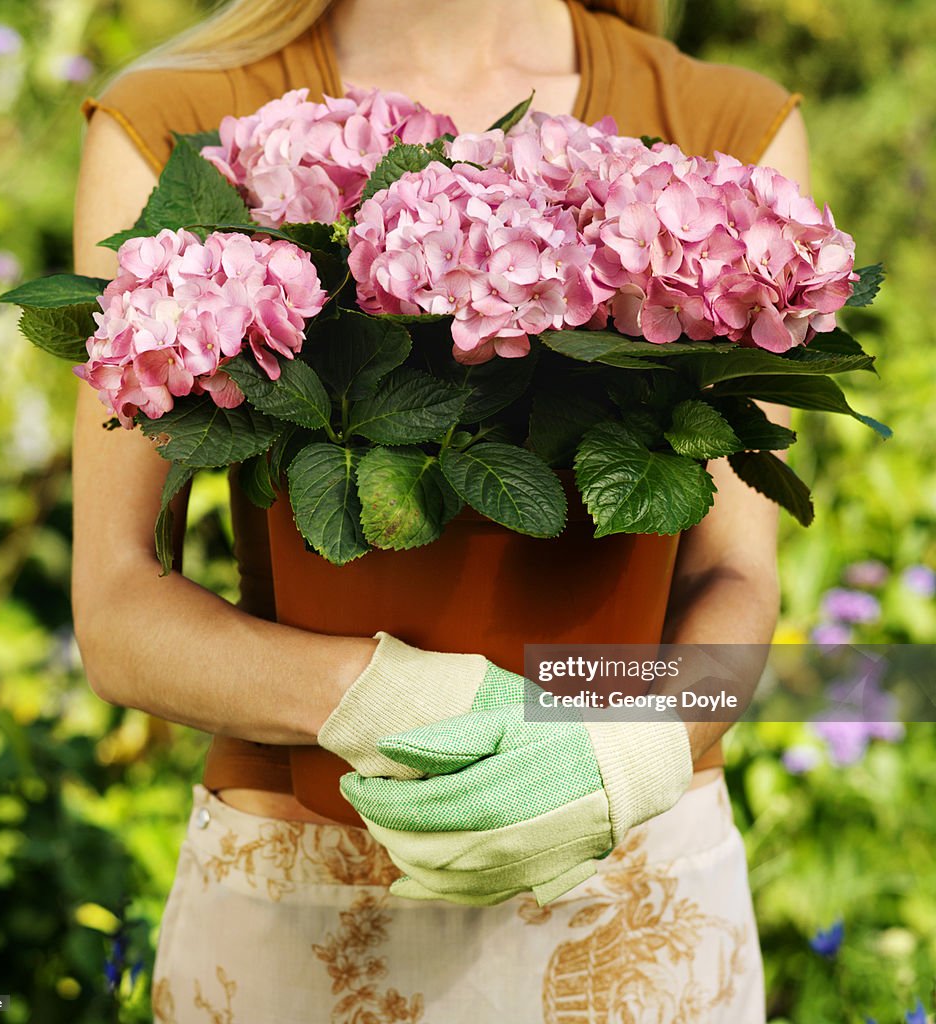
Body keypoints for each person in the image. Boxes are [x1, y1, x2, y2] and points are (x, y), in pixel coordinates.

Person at [73, 0, 808, 1019]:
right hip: (308, 888)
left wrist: (625, 741)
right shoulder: (183, 118)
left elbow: (736, 577)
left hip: (630, 879)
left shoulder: (719, 119)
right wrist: (404, 707)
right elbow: (119, 611)